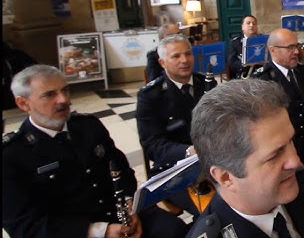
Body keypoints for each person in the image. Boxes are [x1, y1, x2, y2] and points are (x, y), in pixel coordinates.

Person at [4, 65, 188, 238]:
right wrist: (100, 231)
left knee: (174, 229)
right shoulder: (12, 154)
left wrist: (130, 203)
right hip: (74, 231)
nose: (63, 100)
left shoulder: (88, 126)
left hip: (120, 213)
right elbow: (25, 226)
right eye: (49, 95)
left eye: (65, 90)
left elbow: (121, 170)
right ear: (23, 103)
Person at [187, 79, 304, 238]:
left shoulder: (302, 184)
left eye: (290, 141)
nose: (295, 161)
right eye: (275, 155)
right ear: (226, 177)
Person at [136, 34, 217, 215]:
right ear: (162, 63)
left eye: (188, 54)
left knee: (250, 193)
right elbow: (152, 145)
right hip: (175, 169)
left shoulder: (207, 84)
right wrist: (188, 151)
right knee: (213, 210)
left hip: (215, 160)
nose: (184, 60)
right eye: (176, 56)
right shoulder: (150, 96)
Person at [252, 28, 304, 167]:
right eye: (290, 47)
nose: (296, 52)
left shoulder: (303, 72)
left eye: (297, 46)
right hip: (282, 150)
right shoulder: (263, 80)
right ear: (273, 50)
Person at [227, 15, 259, 79]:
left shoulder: (263, 40)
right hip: (244, 73)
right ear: (242, 27)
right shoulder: (235, 42)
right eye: (248, 23)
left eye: (254, 23)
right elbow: (231, 63)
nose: (251, 25)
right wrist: (245, 64)